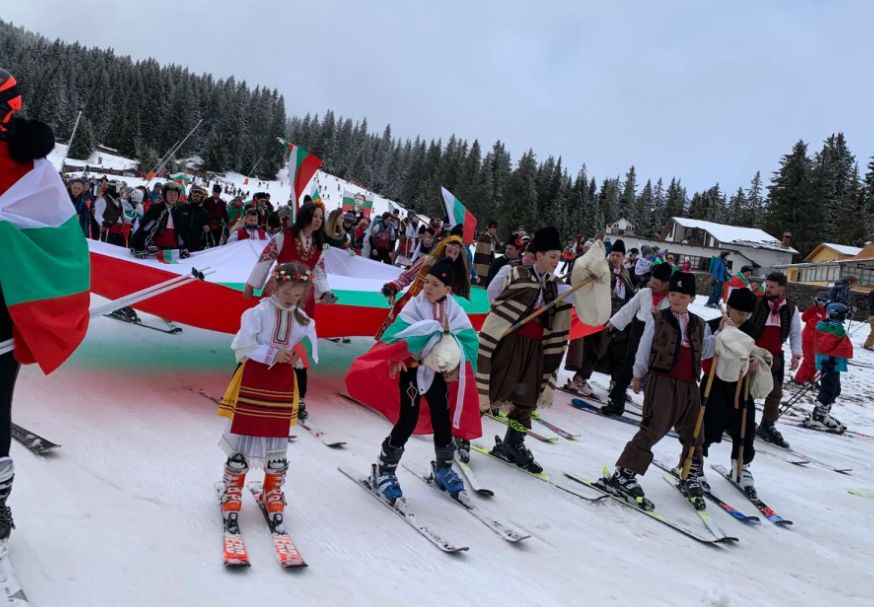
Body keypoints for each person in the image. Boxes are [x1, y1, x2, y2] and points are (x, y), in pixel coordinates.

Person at [0, 69, 89, 539]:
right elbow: (64, 247)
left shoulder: (34, 169)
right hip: (6, 309)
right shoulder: (35, 170)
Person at [346, 259, 481, 501]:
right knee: (407, 418)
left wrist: (457, 361)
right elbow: (397, 335)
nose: (428, 288)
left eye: (435, 284)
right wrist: (396, 355)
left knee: (442, 417)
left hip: (436, 372)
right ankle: (385, 469)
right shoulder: (414, 306)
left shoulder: (455, 311)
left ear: (448, 290)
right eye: (426, 282)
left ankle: (444, 467)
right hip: (411, 369)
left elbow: (468, 340)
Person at [216, 263, 318, 534]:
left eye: (297, 295)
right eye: (287, 292)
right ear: (275, 286)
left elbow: (304, 342)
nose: (291, 299)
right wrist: (272, 353)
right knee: (244, 431)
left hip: (282, 381)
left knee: (277, 436)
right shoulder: (258, 312)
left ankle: (273, 489)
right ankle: (232, 488)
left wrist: (295, 353)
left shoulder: (301, 317)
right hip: (255, 377)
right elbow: (243, 344)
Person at [604, 271, 707, 509]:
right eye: (672, 294)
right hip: (662, 381)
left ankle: (690, 471)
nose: (676, 299)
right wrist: (638, 373)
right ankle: (624, 474)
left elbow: (707, 350)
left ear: (691, 298)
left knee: (695, 431)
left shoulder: (699, 324)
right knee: (654, 427)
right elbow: (644, 347)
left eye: (681, 295)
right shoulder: (658, 318)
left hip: (690, 385)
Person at [477, 227, 572, 473]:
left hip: (535, 348)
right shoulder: (515, 273)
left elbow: (575, 302)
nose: (556, 261)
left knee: (526, 398)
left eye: (558, 257)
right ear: (538, 254)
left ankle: (513, 443)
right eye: (552, 256)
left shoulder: (556, 286)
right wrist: (511, 313)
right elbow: (493, 295)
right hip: (510, 342)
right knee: (492, 388)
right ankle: (462, 436)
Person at [243, 202, 337, 422]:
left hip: (303, 298)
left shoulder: (318, 244)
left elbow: (320, 271)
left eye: (320, 218)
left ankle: (297, 396)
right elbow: (265, 258)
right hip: (278, 292)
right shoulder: (284, 237)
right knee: (266, 336)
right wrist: (251, 284)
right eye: (315, 216)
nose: (318, 221)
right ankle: (251, 383)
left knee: (297, 343)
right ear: (305, 215)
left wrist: (326, 293)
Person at [701, 287, 764, 498]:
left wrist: (756, 363)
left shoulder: (752, 330)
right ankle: (694, 461)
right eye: (739, 313)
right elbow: (703, 352)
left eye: (747, 314)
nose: (743, 318)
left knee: (745, 426)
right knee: (707, 423)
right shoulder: (711, 325)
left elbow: (760, 353)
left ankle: (741, 464)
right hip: (715, 383)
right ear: (729, 309)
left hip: (742, 384)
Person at [564, 238, 635, 397]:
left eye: (618, 255)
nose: (615, 258)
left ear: (624, 257)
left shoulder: (625, 273)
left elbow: (630, 293)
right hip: (600, 314)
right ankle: (580, 377)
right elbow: (591, 283)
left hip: (616, 318)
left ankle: (611, 381)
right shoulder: (603, 269)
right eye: (613, 254)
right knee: (595, 347)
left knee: (610, 351)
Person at [600, 261, 672, 416]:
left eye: (656, 283)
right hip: (639, 329)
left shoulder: (671, 299)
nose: (652, 285)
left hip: (659, 334)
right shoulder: (644, 293)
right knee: (627, 366)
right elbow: (629, 309)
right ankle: (616, 401)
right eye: (651, 281)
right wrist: (613, 322)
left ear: (666, 284)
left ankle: (653, 410)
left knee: (654, 372)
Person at [742, 272, 801, 448]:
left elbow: (795, 332)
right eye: (767, 286)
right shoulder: (757, 302)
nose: (768, 289)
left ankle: (767, 425)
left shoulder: (791, 308)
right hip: (754, 352)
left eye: (772, 287)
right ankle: (737, 419)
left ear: (782, 288)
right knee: (746, 387)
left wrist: (796, 354)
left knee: (775, 393)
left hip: (775, 356)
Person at [378, 235, 471, 340]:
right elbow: (408, 276)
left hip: (430, 313)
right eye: (449, 251)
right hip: (409, 304)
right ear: (444, 248)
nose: (451, 255)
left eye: (455, 254)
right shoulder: (427, 261)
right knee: (392, 338)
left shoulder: (453, 274)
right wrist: (395, 286)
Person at [804, 303, 853, 433]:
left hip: (833, 363)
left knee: (835, 389)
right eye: (844, 315)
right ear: (836, 315)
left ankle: (824, 412)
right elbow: (826, 345)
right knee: (828, 389)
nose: (845, 318)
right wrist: (829, 361)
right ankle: (818, 416)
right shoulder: (829, 326)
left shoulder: (833, 326)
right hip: (829, 363)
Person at [130, 181, 190, 258]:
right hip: (154, 249)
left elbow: (182, 233)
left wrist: (184, 248)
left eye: (175, 195)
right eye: (170, 194)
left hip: (173, 250)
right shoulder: (155, 209)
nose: (173, 197)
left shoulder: (179, 212)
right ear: (164, 195)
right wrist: (138, 246)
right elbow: (144, 229)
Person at [794, 292, 829, 384]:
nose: (821, 303)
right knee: (809, 360)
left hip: (820, 341)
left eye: (824, 301)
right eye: (820, 301)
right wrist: (813, 310)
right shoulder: (813, 310)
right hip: (808, 339)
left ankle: (810, 378)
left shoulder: (827, 312)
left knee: (817, 361)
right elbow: (804, 318)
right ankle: (799, 378)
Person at [94, 180, 133, 247]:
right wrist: (103, 222)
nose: (121, 191)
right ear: (113, 189)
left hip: (118, 232)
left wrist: (131, 221)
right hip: (107, 232)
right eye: (120, 189)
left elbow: (121, 216)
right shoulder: (103, 200)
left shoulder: (119, 201)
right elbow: (97, 214)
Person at [178, 185, 212, 251]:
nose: (196, 198)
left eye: (198, 196)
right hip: (181, 242)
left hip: (196, 245)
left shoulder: (204, 212)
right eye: (194, 196)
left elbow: (207, 230)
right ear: (190, 196)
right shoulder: (182, 208)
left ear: (201, 197)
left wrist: (208, 228)